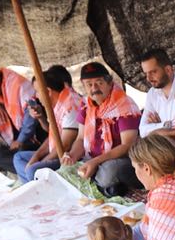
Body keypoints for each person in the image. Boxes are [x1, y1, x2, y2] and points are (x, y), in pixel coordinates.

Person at [61, 62, 143, 196]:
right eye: (89, 84)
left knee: (108, 173)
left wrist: (95, 162)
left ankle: (106, 186)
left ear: (110, 83)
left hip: (122, 160)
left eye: (99, 83)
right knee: (64, 170)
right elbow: (81, 139)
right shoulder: (86, 106)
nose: (94, 88)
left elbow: (128, 145)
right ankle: (107, 188)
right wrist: (72, 156)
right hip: (93, 159)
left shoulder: (124, 105)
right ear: (84, 86)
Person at [14, 65, 81, 181]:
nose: (36, 96)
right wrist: (36, 157)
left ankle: (34, 187)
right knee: (19, 157)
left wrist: (42, 162)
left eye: (37, 91)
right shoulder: (57, 104)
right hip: (54, 151)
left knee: (33, 170)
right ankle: (33, 184)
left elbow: (65, 145)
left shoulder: (71, 105)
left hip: (69, 157)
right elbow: (52, 136)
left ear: (48, 91)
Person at [138, 47, 175, 128]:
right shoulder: (152, 93)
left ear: (168, 70)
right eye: (146, 73)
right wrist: (165, 125)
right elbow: (143, 130)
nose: (148, 79)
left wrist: (157, 127)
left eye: (153, 72)